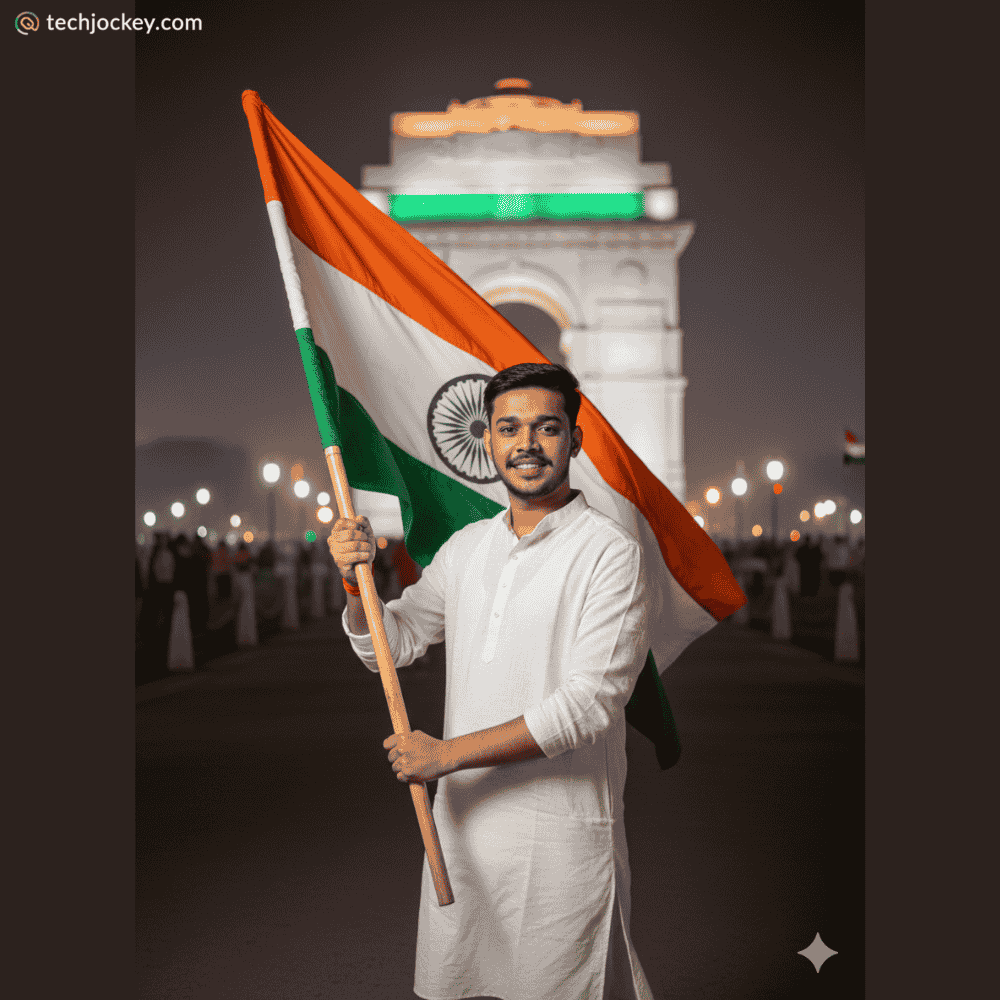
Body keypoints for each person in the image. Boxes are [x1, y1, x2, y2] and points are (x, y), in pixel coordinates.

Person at [329, 363, 655, 1000]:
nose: (526, 443)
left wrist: (445, 755)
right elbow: (389, 648)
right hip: (465, 834)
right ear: (488, 443)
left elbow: (589, 705)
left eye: (546, 427)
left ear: (575, 442)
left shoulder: (610, 552)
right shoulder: (468, 548)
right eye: (509, 428)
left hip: (561, 841)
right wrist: (353, 583)